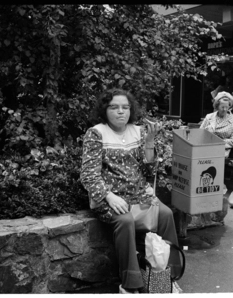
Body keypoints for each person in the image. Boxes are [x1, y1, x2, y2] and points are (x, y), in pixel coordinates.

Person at [80, 88, 181, 294]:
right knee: (125, 221)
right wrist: (109, 196)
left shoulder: (139, 131)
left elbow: (150, 170)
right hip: (111, 198)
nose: (120, 112)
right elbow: (88, 174)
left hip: (139, 195)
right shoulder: (96, 133)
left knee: (166, 214)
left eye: (125, 107)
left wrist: (150, 142)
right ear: (104, 110)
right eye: (114, 107)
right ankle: (130, 284)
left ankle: (166, 277)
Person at [200, 91, 233, 158]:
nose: (224, 109)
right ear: (217, 106)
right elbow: (200, 133)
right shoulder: (209, 117)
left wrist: (218, 142)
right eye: (222, 107)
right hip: (205, 148)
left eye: (227, 107)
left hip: (222, 151)